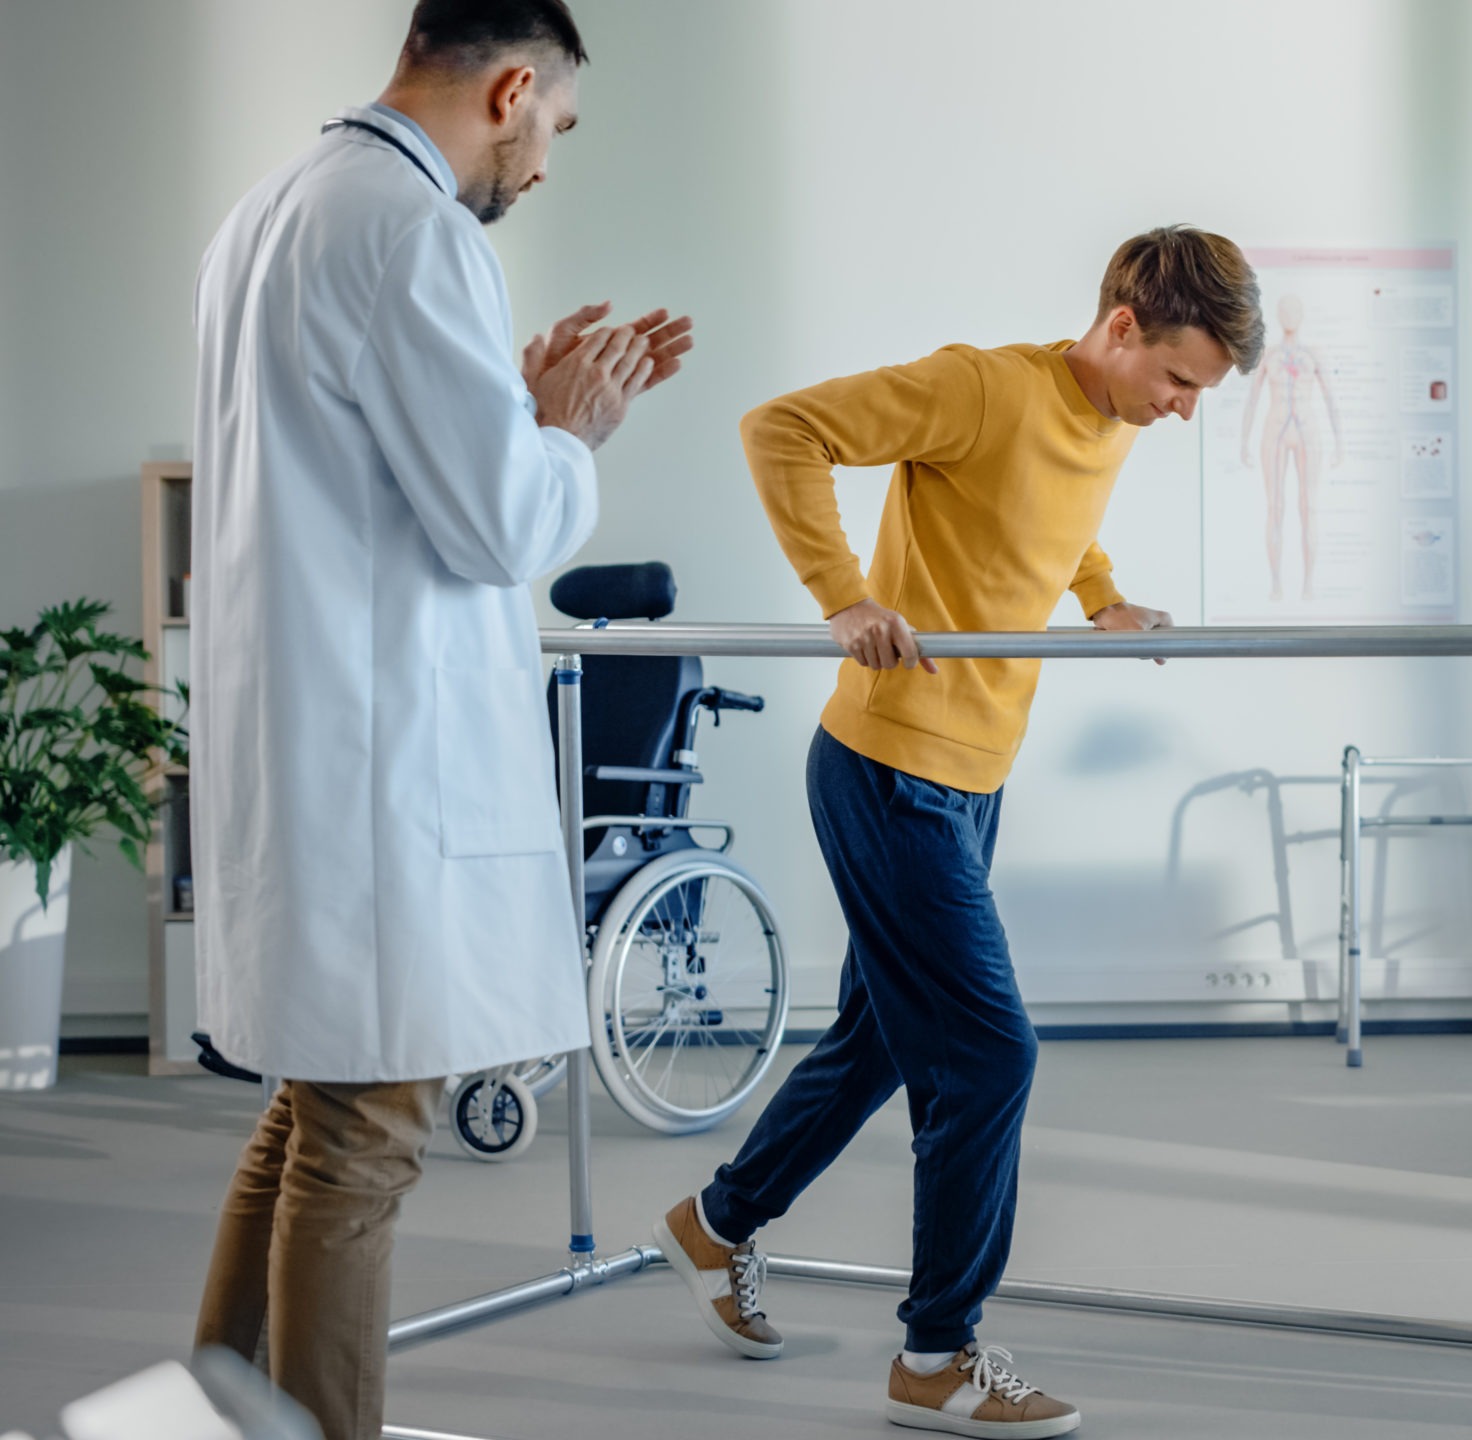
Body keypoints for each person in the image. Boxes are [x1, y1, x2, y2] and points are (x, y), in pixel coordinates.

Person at [650, 227, 1262, 1437]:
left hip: (971, 778)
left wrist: (1101, 599)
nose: (1184, 411)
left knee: (881, 1042)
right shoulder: (981, 386)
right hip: (889, 770)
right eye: (1180, 382)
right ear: (1124, 326)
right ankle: (936, 1357)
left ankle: (716, 1224)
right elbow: (781, 428)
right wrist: (844, 595)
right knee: (989, 1056)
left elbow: (1052, 519)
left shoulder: (1107, 419)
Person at [187, 3, 692, 1436]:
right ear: (515, 88)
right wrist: (569, 432)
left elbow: (382, 465)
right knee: (362, 1139)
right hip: (377, 768)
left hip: (311, 740)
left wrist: (513, 405)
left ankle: (219, 1415)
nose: (542, 167)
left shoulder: (272, 210)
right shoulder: (416, 230)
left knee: (311, 1114)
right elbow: (496, 522)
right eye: (557, 130)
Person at [1233, 293, 1343, 600]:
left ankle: (1308, 584)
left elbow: (1330, 398)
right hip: (1275, 428)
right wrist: (1243, 440)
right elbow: (1253, 399)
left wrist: (1339, 442)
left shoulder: (1313, 353)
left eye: (1294, 309)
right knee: (1275, 507)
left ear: (1303, 313)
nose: (1289, 314)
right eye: (1284, 309)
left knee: (1309, 506)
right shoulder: (1269, 354)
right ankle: (1276, 584)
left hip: (1307, 428)